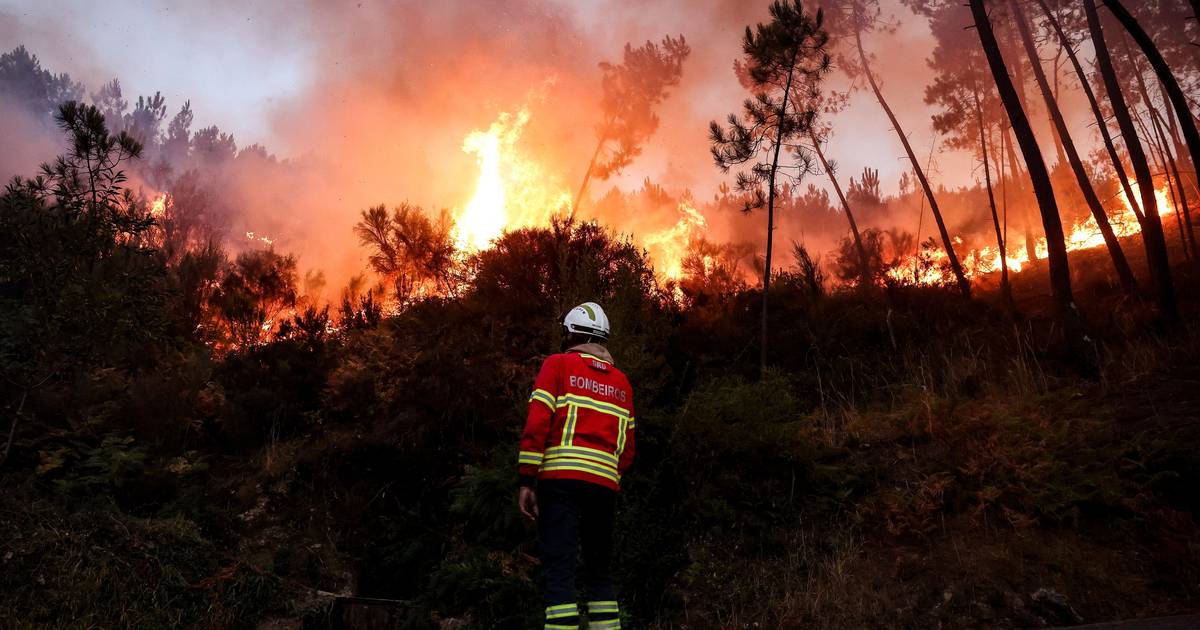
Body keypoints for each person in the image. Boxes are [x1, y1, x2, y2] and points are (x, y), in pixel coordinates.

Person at [518, 301, 635, 630]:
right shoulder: (622, 384)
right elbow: (627, 451)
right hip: (604, 489)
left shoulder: (557, 365)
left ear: (570, 335)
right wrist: (607, 475)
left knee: (560, 570)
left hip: (560, 483)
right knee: (600, 571)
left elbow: (537, 424)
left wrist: (526, 480)